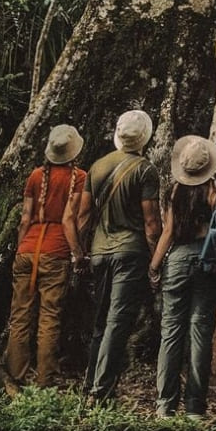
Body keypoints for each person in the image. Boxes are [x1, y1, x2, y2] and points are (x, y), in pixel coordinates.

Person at [68, 108, 161, 402]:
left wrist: (80, 253)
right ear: (144, 138)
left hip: (99, 253)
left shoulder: (97, 167)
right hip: (129, 253)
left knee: (100, 321)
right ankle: (101, 389)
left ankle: (90, 383)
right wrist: (155, 260)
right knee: (118, 321)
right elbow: (151, 223)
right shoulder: (146, 170)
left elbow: (83, 215)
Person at [149, 135, 216, 419]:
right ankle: (195, 408)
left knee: (170, 334)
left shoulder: (175, 191)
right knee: (200, 334)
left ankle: (165, 405)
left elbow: (169, 232)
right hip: (207, 262)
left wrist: (155, 265)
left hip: (178, 259)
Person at [4, 124, 86, 389]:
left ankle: (16, 375)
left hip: (27, 250)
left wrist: (20, 248)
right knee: (49, 316)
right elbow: (69, 219)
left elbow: (25, 218)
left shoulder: (36, 176)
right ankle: (44, 380)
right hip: (56, 252)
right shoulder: (80, 177)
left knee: (20, 315)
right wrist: (78, 253)